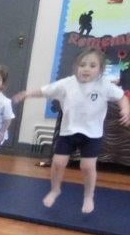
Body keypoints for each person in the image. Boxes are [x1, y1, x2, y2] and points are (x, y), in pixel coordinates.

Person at [14, 47, 130, 214]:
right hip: (68, 132)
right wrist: (28, 94)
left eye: (92, 66)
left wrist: (125, 109)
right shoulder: (67, 84)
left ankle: (88, 195)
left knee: (87, 166)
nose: (86, 69)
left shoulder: (104, 85)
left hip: (92, 134)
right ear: (76, 67)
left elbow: (121, 97)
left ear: (100, 70)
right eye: (82, 65)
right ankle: (55, 189)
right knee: (58, 163)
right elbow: (45, 91)